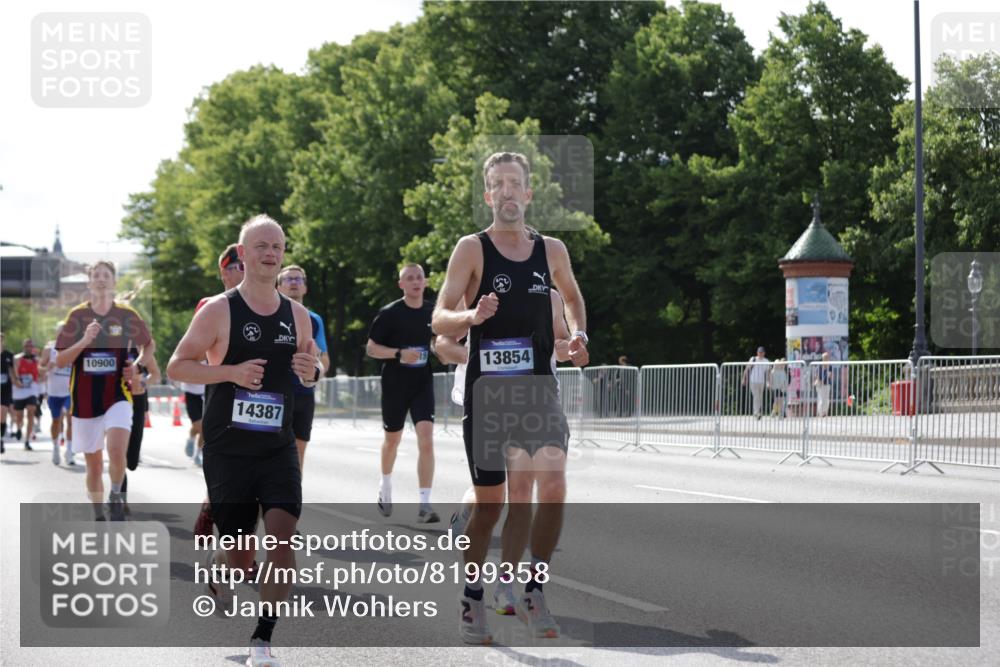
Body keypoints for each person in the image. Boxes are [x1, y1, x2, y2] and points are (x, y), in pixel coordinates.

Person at [433, 151, 589, 643]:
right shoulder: (472, 249)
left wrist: (579, 337)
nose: (506, 191)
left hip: (539, 393)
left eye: (514, 183)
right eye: (496, 184)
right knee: (490, 507)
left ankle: (533, 588)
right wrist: (471, 318)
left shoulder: (553, 250)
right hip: (489, 397)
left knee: (553, 485)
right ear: (488, 196)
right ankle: (472, 596)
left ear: (527, 193)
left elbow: (572, 299)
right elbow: (439, 318)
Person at [167, 215, 322, 667]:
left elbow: (311, 369)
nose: (270, 253)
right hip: (227, 448)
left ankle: (262, 639)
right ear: (243, 252)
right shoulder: (218, 310)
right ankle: (222, 563)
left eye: (277, 246)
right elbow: (179, 365)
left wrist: (312, 372)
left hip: (277, 446)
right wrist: (230, 373)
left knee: (281, 539)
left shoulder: (297, 315)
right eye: (260, 246)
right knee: (240, 554)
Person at [438, 288, 575, 616]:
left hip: (535, 402)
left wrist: (569, 347)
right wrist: (476, 354)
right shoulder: (473, 290)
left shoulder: (550, 296)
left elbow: (561, 343)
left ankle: (505, 586)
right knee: (491, 494)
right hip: (486, 400)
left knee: (523, 492)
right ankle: (466, 513)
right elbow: (442, 343)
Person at [55, 261, 153, 521]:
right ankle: (98, 512)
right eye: (95, 275)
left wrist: (136, 365)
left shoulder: (127, 315)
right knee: (94, 464)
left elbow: (149, 345)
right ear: (89, 283)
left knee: (117, 450)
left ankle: (117, 496)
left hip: (118, 396)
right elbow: (61, 360)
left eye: (106, 275)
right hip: (84, 401)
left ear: (114, 282)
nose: (100, 279)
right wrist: (85, 340)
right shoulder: (77, 316)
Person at [366, 263, 440, 523]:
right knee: (393, 440)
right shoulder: (390, 314)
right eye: (409, 278)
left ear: (425, 282)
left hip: (422, 382)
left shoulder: (434, 312)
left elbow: (440, 342)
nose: (415, 282)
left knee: (427, 438)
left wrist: (437, 348)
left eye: (419, 277)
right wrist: (398, 354)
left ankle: (425, 504)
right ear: (401, 284)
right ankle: (385, 487)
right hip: (395, 384)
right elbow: (371, 348)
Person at [191, 243, 245, 535]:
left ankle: (241, 553)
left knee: (258, 480)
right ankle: (213, 507)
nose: (247, 272)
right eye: (239, 267)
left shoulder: (278, 305)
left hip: (266, 403)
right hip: (224, 401)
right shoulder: (211, 305)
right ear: (224, 273)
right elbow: (193, 358)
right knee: (230, 480)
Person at [276, 265, 330, 475]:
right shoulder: (270, 314)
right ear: (279, 287)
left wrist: (315, 372)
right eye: (288, 279)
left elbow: (324, 359)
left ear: (305, 288)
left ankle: (292, 499)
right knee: (272, 450)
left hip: (304, 394)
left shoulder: (314, 320)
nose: (294, 283)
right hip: (276, 393)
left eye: (299, 279)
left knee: (299, 449)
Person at [41, 323, 75, 465]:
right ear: (57, 333)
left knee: (70, 419)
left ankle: (69, 451)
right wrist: (47, 366)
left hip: (69, 391)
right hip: (54, 391)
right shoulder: (49, 349)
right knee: (56, 421)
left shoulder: (74, 349)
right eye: (61, 333)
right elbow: (40, 368)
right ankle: (55, 447)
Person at [12, 338, 42, 450]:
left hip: (32, 390)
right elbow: (14, 373)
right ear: (23, 347)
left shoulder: (37, 360)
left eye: (30, 346)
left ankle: (27, 440)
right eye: (26, 346)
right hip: (19, 390)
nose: (29, 348)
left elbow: (40, 373)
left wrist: (44, 374)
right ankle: (19, 428)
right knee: (19, 417)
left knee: (31, 411)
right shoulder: (17, 359)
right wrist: (16, 381)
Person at [742, 346, 770, 420]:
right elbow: (747, 368)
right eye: (759, 352)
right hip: (753, 381)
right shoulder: (753, 359)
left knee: (760, 397)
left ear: (764, 353)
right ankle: (756, 412)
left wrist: (768, 382)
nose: (760, 353)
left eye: (762, 352)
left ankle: (757, 412)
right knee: (756, 396)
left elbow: (768, 373)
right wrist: (743, 378)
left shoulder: (766, 361)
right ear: (757, 352)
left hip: (761, 381)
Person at [1, 333, 12, 454]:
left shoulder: (9, 355)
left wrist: (17, 382)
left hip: (5, 389)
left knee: (3, 414)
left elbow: (13, 372)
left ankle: (1, 438)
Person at [814, 351, 832, 417]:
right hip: (820, 384)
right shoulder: (819, 365)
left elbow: (830, 375)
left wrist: (829, 375)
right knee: (821, 399)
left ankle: (825, 412)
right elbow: (816, 375)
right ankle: (820, 413)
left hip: (827, 384)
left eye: (827, 357)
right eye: (825, 358)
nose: (827, 359)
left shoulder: (829, 366)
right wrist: (820, 380)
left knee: (826, 399)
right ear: (823, 358)